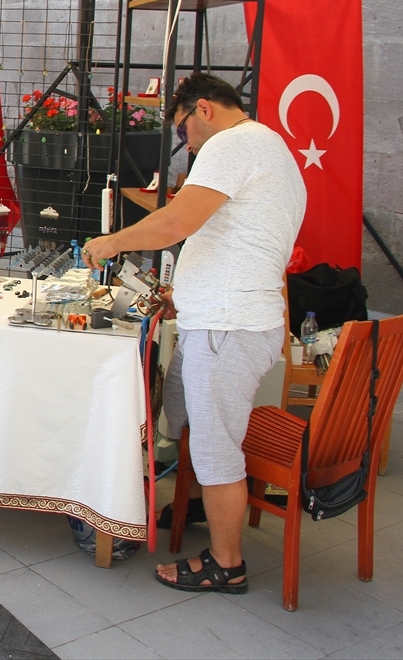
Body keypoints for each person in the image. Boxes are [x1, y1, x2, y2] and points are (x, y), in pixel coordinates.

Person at [83, 72, 306, 596]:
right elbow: (236, 240)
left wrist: (109, 243)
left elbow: (173, 224)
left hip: (228, 326)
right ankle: (203, 505)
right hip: (221, 317)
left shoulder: (232, 144)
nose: (186, 142)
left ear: (202, 109)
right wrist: (183, 294)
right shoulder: (267, 144)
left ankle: (226, 564)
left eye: (183, 129)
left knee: (214, 446)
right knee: (185, 419)